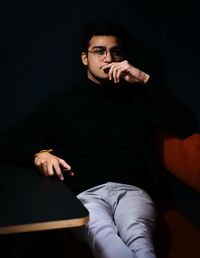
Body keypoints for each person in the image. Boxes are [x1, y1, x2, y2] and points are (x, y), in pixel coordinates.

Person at [0, 21, 197, 258]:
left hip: (132, 192)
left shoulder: (138, 99)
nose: (108, 58)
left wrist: (144, 78)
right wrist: (37, 155)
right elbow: (7, 141)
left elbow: (187, 124)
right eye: (99, 51)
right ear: (85, 58)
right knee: (104, 237)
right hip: (86, 196)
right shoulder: (63, 103)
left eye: (115, 52)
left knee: (139, 240)